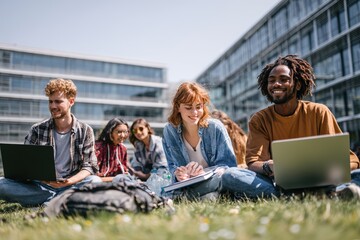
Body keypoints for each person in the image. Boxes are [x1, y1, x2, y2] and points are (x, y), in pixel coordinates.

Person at [221, 55, 360, 199]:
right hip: (279, 184)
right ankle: (323, 195)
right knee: (230, 175)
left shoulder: (319, 112)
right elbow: (253, 163)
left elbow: (349, 160)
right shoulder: (259, 120)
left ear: (297, 84)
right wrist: (269, 166)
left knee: (358, 175)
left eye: (283, 79)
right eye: (272, 80)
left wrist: (327, 171)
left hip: (323, 180)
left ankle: (319, 193)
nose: (276, 84)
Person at [0, 78, 101, 206]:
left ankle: (50, 200)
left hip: (71, 185)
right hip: (41, 187)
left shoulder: (85, 130)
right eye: (50, 102)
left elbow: (89, 166)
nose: (53, 106)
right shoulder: (37, 129)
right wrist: (43, 180)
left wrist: (69, 182)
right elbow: (26, 166)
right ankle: (59, 200)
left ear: (71, 101)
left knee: (95, 181)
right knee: (2, 184)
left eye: (58, 102)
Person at [162, 82, 237, 200]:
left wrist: (204, 173)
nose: (194, 113)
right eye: (188, 107)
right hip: (188, 185)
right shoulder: (169, 131)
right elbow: (172, 166)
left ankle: (188, 196)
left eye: (198, 107)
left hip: (215, 183)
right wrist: (178, 174)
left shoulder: (215, 127)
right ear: (177, 107)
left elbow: (228, 166)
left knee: (214, 191)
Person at [95, 117, 131, 182]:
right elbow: (91, 174)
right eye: (119, 132)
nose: (123, 135)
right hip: (97, 181)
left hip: (116, 181)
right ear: (110, 132)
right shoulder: (98, 147)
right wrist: (114, 178)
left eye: (125, 132)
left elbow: (124, 171)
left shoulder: (123, 149)